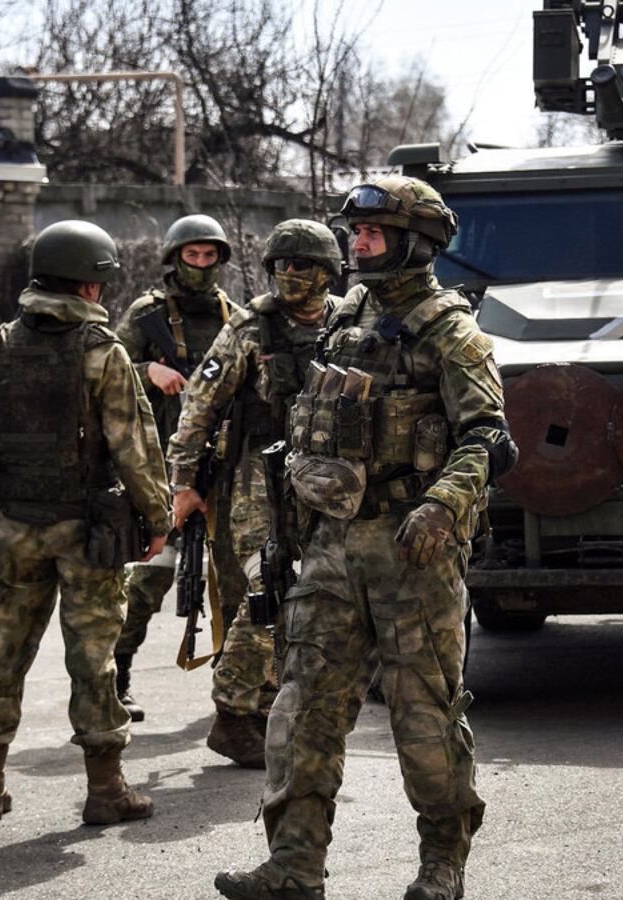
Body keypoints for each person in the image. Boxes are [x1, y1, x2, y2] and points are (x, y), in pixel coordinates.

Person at [214, 176, 517, 900]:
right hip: (330, 547)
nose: (358, 244)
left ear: (416, 244)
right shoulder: (344, 318)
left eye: (372, 234)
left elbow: (488, 438)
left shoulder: (451, 331)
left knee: (425, 719)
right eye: (356, 233)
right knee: (301, 708)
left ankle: (442, 865)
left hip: (413, 552)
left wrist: (443, 505)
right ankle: (293, 867)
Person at [0, 220, 172, 825]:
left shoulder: (3, 341)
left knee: (1, 652)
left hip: (15, 525)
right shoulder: (104, 352)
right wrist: (157, 516)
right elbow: (134, 446)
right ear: (93, 287)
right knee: (93, 659)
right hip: (86, 533)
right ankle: (106, 792)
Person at [168, 219, 345, 768]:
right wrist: (183, 483)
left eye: (302, 265)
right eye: (281, 266)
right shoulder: (248, 329)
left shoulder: (347, 322)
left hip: (327, 480)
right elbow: (199, 407)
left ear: (327, 272)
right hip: (257, 481)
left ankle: (272, 703)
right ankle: (231, 711)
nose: (290, 275)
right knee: (268, 590)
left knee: (317, 595)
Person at [112, 214, 243, 720]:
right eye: (193, 256)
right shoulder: (147, 314)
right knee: (148, 580)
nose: (202, 265)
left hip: (222, 466)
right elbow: (110, 370)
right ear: (175, 258)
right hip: (159, 469)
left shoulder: (235, 317)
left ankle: (233, 686)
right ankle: (117, 678)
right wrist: (150, 370)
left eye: (211, 257)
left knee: (230, 581)